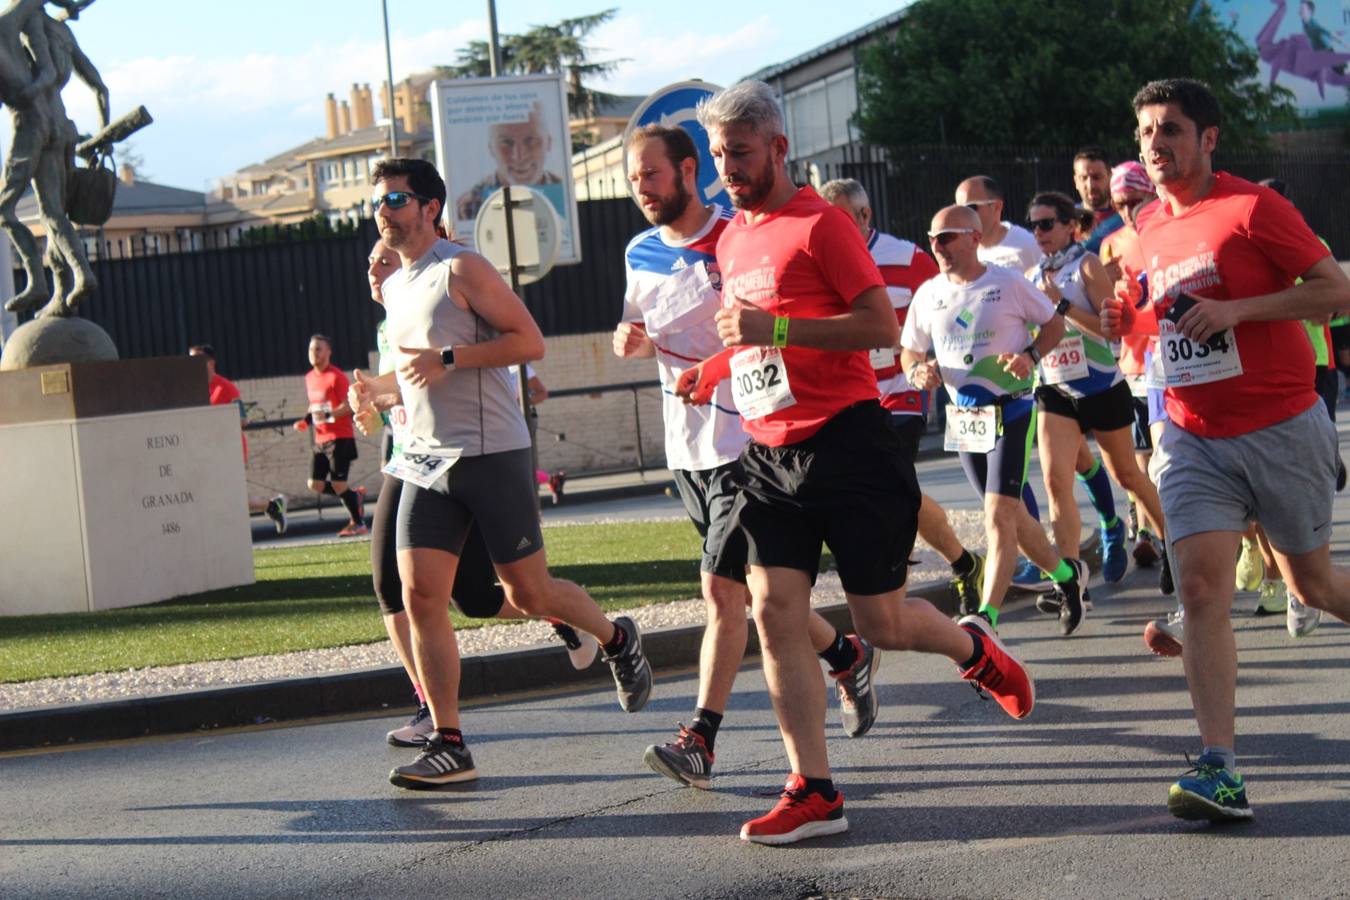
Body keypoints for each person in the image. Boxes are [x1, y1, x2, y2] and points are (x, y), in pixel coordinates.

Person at [676, 81, 1033, 845]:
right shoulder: (734, 237)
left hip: (849, 442)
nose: (727, 169)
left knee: (885, 622)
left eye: (739, 153)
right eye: (716, 156)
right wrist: (716, 369)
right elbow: (752, 339)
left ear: (778, 147)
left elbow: (878, 325)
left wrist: (774, 324)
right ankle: (814, 787)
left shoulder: (821, 225)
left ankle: (975, 649)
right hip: (770, 454)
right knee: (773, 614)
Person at [349, 157, 653, 789]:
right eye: (377, 202)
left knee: (527, 594)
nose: (383, 211)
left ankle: (616, 639)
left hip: (491, 455)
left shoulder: (462, 267)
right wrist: (374, 392)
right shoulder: (398, 285)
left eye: (397, 199)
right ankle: (449, 742)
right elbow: (414, 372)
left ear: (430, 208)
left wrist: (453, 357)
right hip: (428, 459)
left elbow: (528, 342)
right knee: (419, 596)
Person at [1102, 78, 1350, 822]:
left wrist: (1238, 310)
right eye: (1146, 131)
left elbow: (1334, 291)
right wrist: (1127, 317)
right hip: (1191, 433)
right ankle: (1222, 768)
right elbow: (1154, 322)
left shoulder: (1253, 209)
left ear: (1208, 139)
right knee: (1202, 590)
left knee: (1312, 588)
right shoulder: (1146, 227)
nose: (1155, 143)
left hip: (1279, 424)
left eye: (1170, 129)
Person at [619, 130, 883, 794]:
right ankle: (845, 654)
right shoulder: (638, 250)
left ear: (687, 171)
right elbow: (637, 329)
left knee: (721, 592)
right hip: (687, 444)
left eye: (651, 174)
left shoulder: (737, 235)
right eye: (632, 179)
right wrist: (627, 338)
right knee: (759, 597)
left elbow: (790, 315)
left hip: (749, 439)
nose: (641, 188)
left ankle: (700, 739)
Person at [355, 239, 597, 749]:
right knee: (398, 587)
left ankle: (566, 615)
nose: (374, 270)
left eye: (384, 259)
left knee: (487, 596)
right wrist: (371, 400)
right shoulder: (393, 313)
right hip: (409, 456)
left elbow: (519, 350)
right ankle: (434, 715)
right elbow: (405, 385)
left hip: (469, 453)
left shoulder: (453, 281)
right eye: (370, 263)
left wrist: (444, 361)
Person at [900, 205, 1088, 635]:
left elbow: (1053, 325)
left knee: (997, 515)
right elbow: (909, 349)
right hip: (965, 417)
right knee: (1015, 519)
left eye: (947, 237)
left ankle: (986, 618)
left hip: (1013, 409)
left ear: (973, 236)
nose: (938, 246)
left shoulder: (1006, 283)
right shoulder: (929, 293)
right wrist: (916, 371)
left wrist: (1030, 356)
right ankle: (1066, 578)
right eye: (932, 239)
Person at [821, 177, 987, 615]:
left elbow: (952, 298)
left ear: (864, 216)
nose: (829, 227)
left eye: (839, 218)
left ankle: (889, 597)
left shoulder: (906, 258)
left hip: (900, 390)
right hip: (846, 396)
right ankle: (964, 561)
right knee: (896, 489)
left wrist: (948, 357)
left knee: (885, 485)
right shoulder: (818, 259)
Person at [1026, 190, 1168, 601]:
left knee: (1127, 474)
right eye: (1034, 224)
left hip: (1101, 385)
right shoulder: (1036, 275)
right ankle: (1070, 582)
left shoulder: (1085, 265)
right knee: (1056, 482)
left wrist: (1064, 306)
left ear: (1071, 226)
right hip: (1055, 388)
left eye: (1047, 223)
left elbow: (1112, 329)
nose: (1039, 232)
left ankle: (1172, 549)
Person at [189, 344, 286, 533]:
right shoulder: (193, 390)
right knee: (216, 495)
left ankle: (267, 509)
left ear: (210, 363)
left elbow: (243, 420)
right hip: (205, 451)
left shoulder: (225, 387)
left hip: (228, 450)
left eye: (196, 360)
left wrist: (215, 422)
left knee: (226, 496)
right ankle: (271, 506)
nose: (191, 365)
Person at [292, 334, 365, 537]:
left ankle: (358, 523)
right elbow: (314, 404)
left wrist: (329, 414)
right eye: (311, 349)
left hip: (340, 437)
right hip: (320, 439)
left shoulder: (336, 376)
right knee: (314, 483)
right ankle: (354, 497)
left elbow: (349, 406)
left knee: (338, 483)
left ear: (328, 352)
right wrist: (305, 421)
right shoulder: (309, 378)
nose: (314, 353)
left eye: (318, 349)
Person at [455, 101, 564, 222]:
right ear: (491, 148)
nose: (519, 156)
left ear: (548, 142)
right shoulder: (470, 205)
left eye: (530, 140)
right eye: (506, 142)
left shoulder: (564, 194)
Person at [955, 175, 1041, 274]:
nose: (965, 215)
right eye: (959, 210)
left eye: (971, 208)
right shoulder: (960, 251)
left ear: (996, 207)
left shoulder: (1028, 244)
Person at [1072, 146, 1123, 254]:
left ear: (1110, 176)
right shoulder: (1065, 221)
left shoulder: (1125, 217)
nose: (1090, 185)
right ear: (1076, 181)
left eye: (1097, 177)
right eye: (1083, 178)